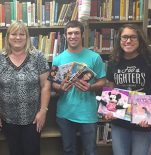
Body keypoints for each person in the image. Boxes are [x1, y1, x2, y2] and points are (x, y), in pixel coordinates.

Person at [0, 21, 51, 155]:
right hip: (8, 119)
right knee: (14, 151)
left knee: (32, 151)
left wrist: (43, 111)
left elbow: (45, 85)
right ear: (8, 37)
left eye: (21, 34)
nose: (18, 37)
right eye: (14, 34)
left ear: (27, 37)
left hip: (33, 118)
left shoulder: (38, 57)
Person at [105, 24, 151, 155]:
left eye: (133, 37)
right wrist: (110, 109)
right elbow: (111, 89)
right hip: (120, 120)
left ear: (140, 40)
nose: (128, 41)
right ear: (119, 40)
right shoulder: (113, 62)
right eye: (124, 37)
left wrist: (149, 112)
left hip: (142, 120)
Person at [51, 20, 106, 155]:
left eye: (76, 33)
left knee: (90, 151)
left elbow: (103, 81)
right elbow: (53, 83)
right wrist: (61, 87)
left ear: (82, 35)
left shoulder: (95, 57)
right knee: (68, 150)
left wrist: (90, 87)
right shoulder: (58, 59)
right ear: (65, 36)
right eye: (69, 33)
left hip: (87, 112)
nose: (73, 36)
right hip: (65, 112)